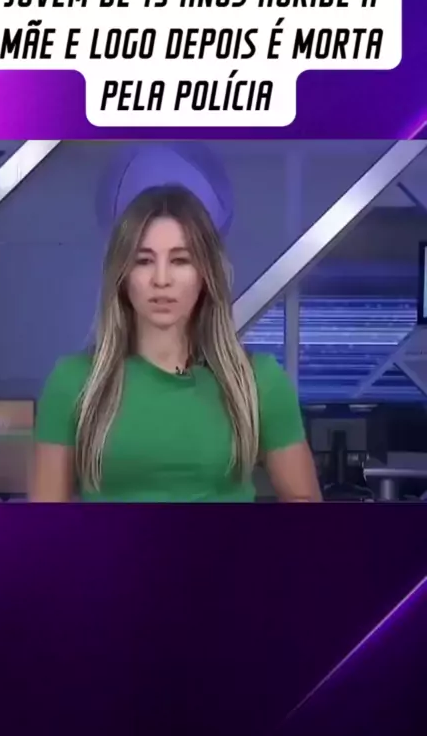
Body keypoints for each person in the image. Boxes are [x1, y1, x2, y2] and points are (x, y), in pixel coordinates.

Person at [31, 185, 322, 503]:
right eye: (144, 261)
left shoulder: (257, 381)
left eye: (180, 260)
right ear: (122, 275)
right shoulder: (73, 383)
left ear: (205, 274)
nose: (161, 279)